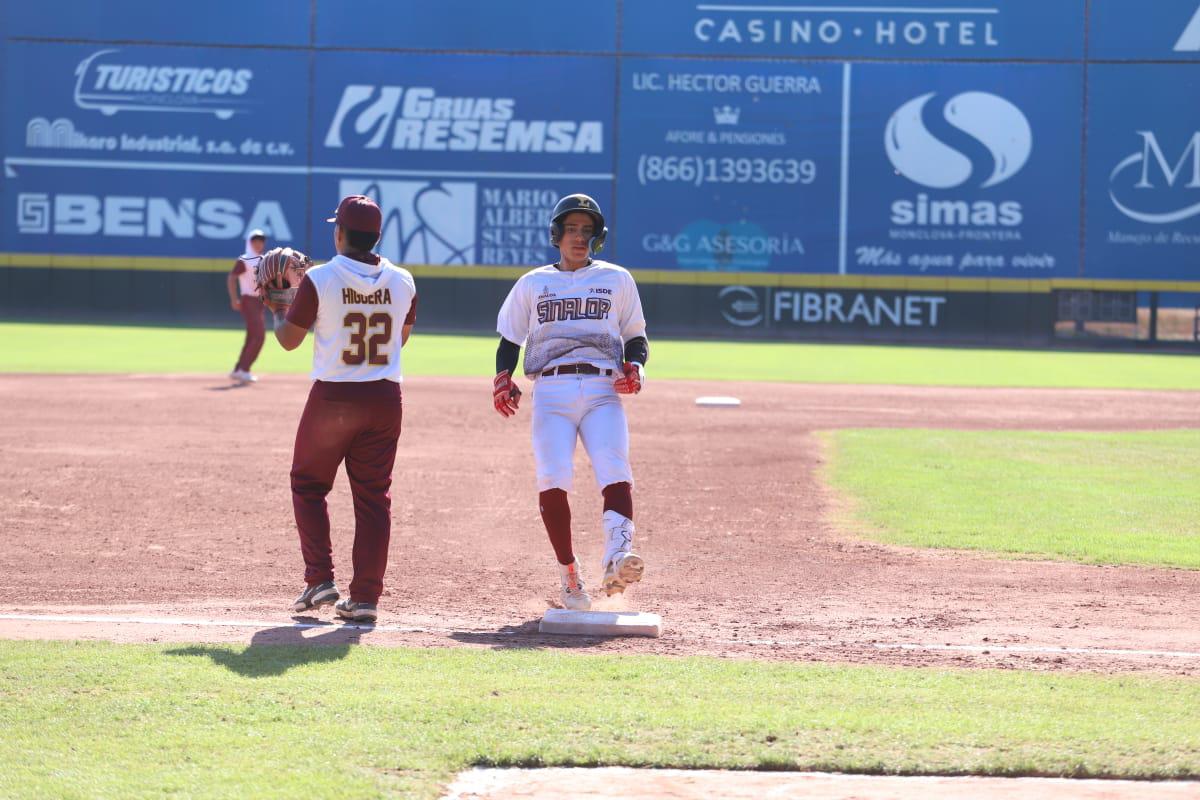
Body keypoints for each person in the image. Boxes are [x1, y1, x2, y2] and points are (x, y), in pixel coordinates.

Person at [493, 194, 650, 611]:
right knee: (553, 477)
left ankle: (616, 559)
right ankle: (569, 574)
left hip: (602, 390)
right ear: (556, 235)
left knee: (616, 471)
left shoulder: (617, 279)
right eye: (571, 229)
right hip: (551, 392)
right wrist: (503, 377)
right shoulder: (533, 283)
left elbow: (635, 336)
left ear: (598, 237)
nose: (579, 237)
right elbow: (510, 340)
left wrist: (635, 366)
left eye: (587, 230)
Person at [266, 195, 417, 623]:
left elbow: (288, 339)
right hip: (385, 399)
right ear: (378, 235)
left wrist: (279, 304)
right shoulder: (404, 280)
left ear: (339, 234)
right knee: (373, 499)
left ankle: (319, 579)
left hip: (334, 398)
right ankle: (365, 597)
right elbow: (399, 339)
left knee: (309, 484)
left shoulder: (321, 278)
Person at [226, 229, 268, 385]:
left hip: (258, 302)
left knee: (253, 337)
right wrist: (234, 299)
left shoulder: (263, 259)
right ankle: (243, 369)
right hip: (248, 300)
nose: (258, 243)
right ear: (249, 242)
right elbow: (231, 278)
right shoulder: (244, 260)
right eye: (255, 240)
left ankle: (239, 370)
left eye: (261, 240)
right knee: (259, 336)